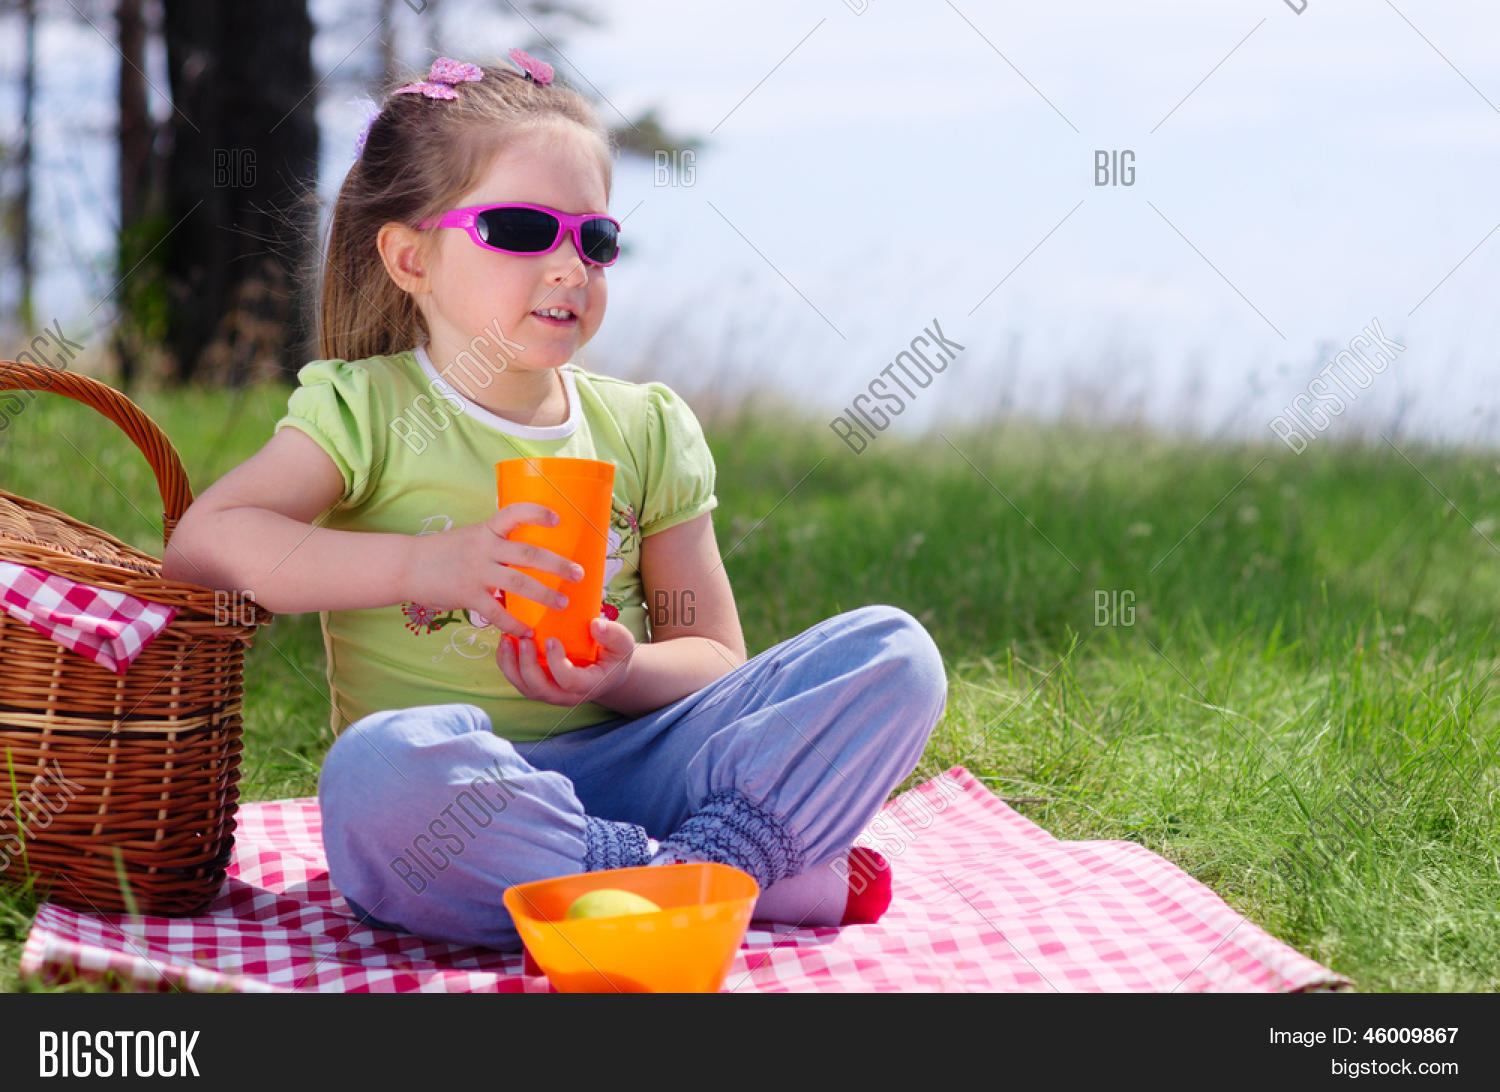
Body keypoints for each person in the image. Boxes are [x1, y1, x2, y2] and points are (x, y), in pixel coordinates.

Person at [162, 52, 947, 952]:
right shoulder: (367, 410)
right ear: (411, 256)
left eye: (594, 239)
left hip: (643, 767)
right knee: (376, 772)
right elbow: (205, 541)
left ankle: (670, 872)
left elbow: (715, 660)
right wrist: (429, 563)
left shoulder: (646, 426)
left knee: (895, 653)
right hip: (470, 802)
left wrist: (622, 674)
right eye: (523, 228)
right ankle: (719, 878)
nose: (570, 266)